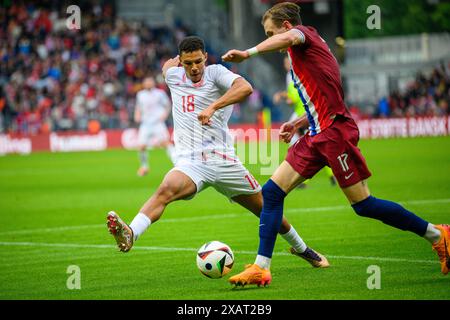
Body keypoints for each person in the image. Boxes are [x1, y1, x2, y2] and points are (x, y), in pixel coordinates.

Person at [222, 2, 449, 287]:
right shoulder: (302, 52)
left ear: (287, 26)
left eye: (270, 33)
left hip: (334, 134)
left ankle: (438, 235)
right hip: (316, 134)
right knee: (271, 193)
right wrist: (298, 124)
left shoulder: (303, 35)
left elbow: (290, 38)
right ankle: (261, 268)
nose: (270, 39)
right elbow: (323, 99)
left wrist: (249, 52)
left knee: (364, 205)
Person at [107, 36, 330, 269]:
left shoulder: (216, 73)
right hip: (191, 162)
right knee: (166, 188)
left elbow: (245, 88)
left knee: (266, 210)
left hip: (224, 162)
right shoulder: (173, 76)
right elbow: (166, 69)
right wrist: (170, 65)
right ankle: (131, 233)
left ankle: (304, 250)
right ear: (181, 62)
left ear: (205, 57)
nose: (194, 67)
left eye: (197, 61)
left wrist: (213, 107)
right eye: (188, 63)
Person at [273, 56, 336, 187]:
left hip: (303, 114)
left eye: (288, 62)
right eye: (285, 63)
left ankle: (299, 176)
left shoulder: (296, 74)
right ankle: (330, 175)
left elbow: (296, 96)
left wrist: (283, 96)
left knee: (302, 143)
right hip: (300, 113)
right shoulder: (289, 75)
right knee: (312, 145)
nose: (286, 65)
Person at [134, 76, 177, 176]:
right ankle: (144, 167)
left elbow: (168, 105)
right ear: (144, 84)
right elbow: (138, 107)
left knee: (165, 143)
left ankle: (177, 163)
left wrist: (164, 115)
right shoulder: (140, 94)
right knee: (141, 146)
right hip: (145, 124)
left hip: (158, 123)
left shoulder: (159, 93)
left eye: (150, 82)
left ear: (153, 83)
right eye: (146, 82)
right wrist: (137, 115)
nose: (148, 84)